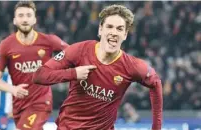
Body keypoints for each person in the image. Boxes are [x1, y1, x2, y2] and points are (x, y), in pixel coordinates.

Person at [33, 4, 163, 130]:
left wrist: (156, 128)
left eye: (119, 29)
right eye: (110, 27)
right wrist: (73, 74)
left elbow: (155, 83)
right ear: (100, 29)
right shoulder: (79, 50)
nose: (114, 32)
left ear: (125, 34)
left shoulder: (132, 66)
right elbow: (40, 75)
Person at [0, 1, 69, 130]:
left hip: (41, 101)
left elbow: (74, 53)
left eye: (28, 15)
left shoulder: (48, 41)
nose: (25, 19)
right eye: (21, 16)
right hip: (19, 104)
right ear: (15, 21)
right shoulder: (6, 45)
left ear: (34, 20)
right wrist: (13, 90)